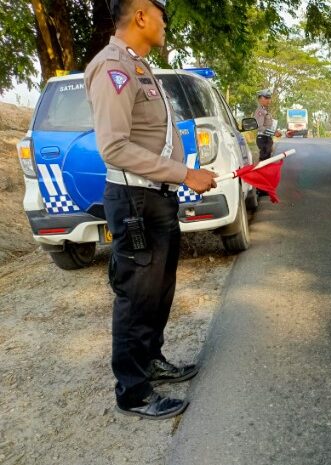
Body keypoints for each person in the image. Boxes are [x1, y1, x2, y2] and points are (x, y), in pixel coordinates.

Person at [85, 0, 217, 419]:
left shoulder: (138, 66)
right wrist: (183, 173)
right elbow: (114, 146)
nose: (165, 22)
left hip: (155, 198)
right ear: (141, 14)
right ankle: (133, 390)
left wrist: (177, 178)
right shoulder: (113, 68)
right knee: (137, 296)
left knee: (159, 290)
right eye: (162, 13)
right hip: (134, 202)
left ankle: (152, 360)